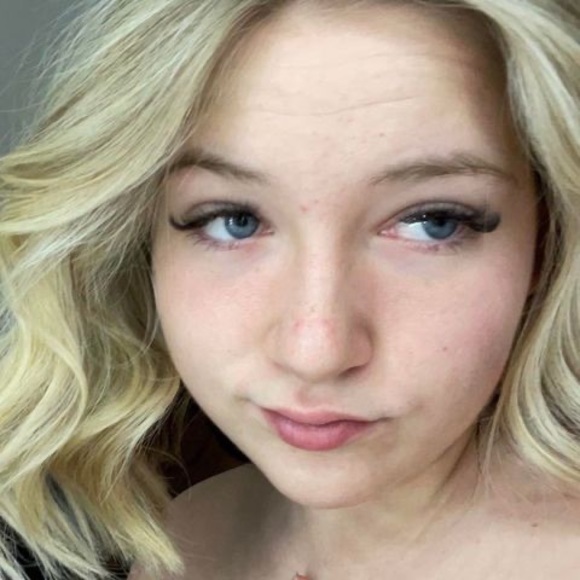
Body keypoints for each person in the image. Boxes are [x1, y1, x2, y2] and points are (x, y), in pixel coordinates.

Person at [0, 0, 579, 579]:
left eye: (434, 222)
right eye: (233, 220)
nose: (315, 353)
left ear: (547, 239)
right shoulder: (186, 534)